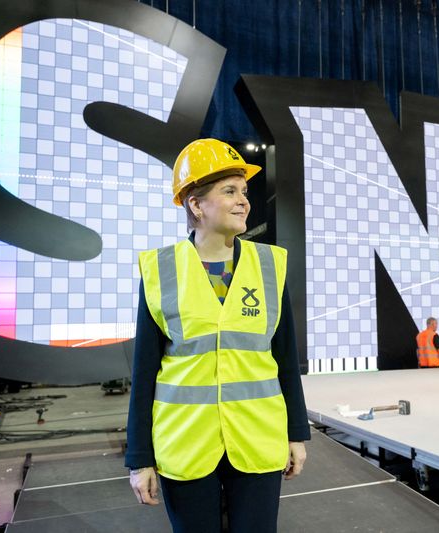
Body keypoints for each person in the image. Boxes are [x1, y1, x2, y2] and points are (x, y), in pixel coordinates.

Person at [125, 139, 310, 532]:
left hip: (257, 438)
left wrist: (296, 434)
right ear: (196, 204)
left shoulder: (269, 266)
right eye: (229, 191)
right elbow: (144, 372)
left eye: (244, 191)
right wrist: (140, 458)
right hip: (186, 443)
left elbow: (285, 362)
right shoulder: (160, 270)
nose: (244, 200)